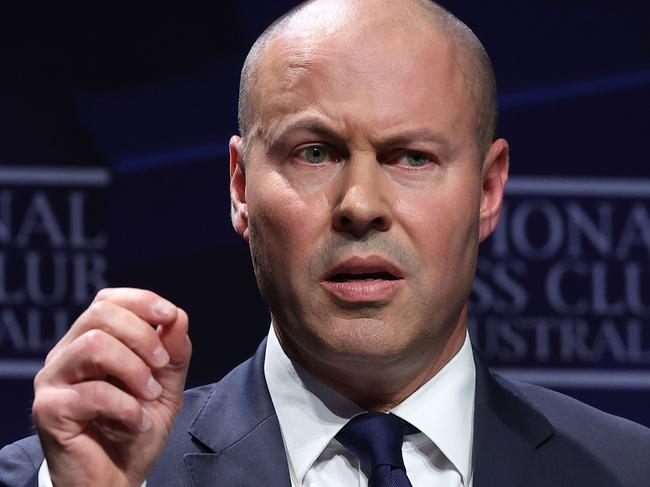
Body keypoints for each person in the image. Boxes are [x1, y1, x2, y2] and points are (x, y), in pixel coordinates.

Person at [2, 0, 649, 486]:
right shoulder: (72, 475)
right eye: (315, 153)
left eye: (411, 157)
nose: (360, 205)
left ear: (487, 190)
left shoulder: (628, 469)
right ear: (240, 187)